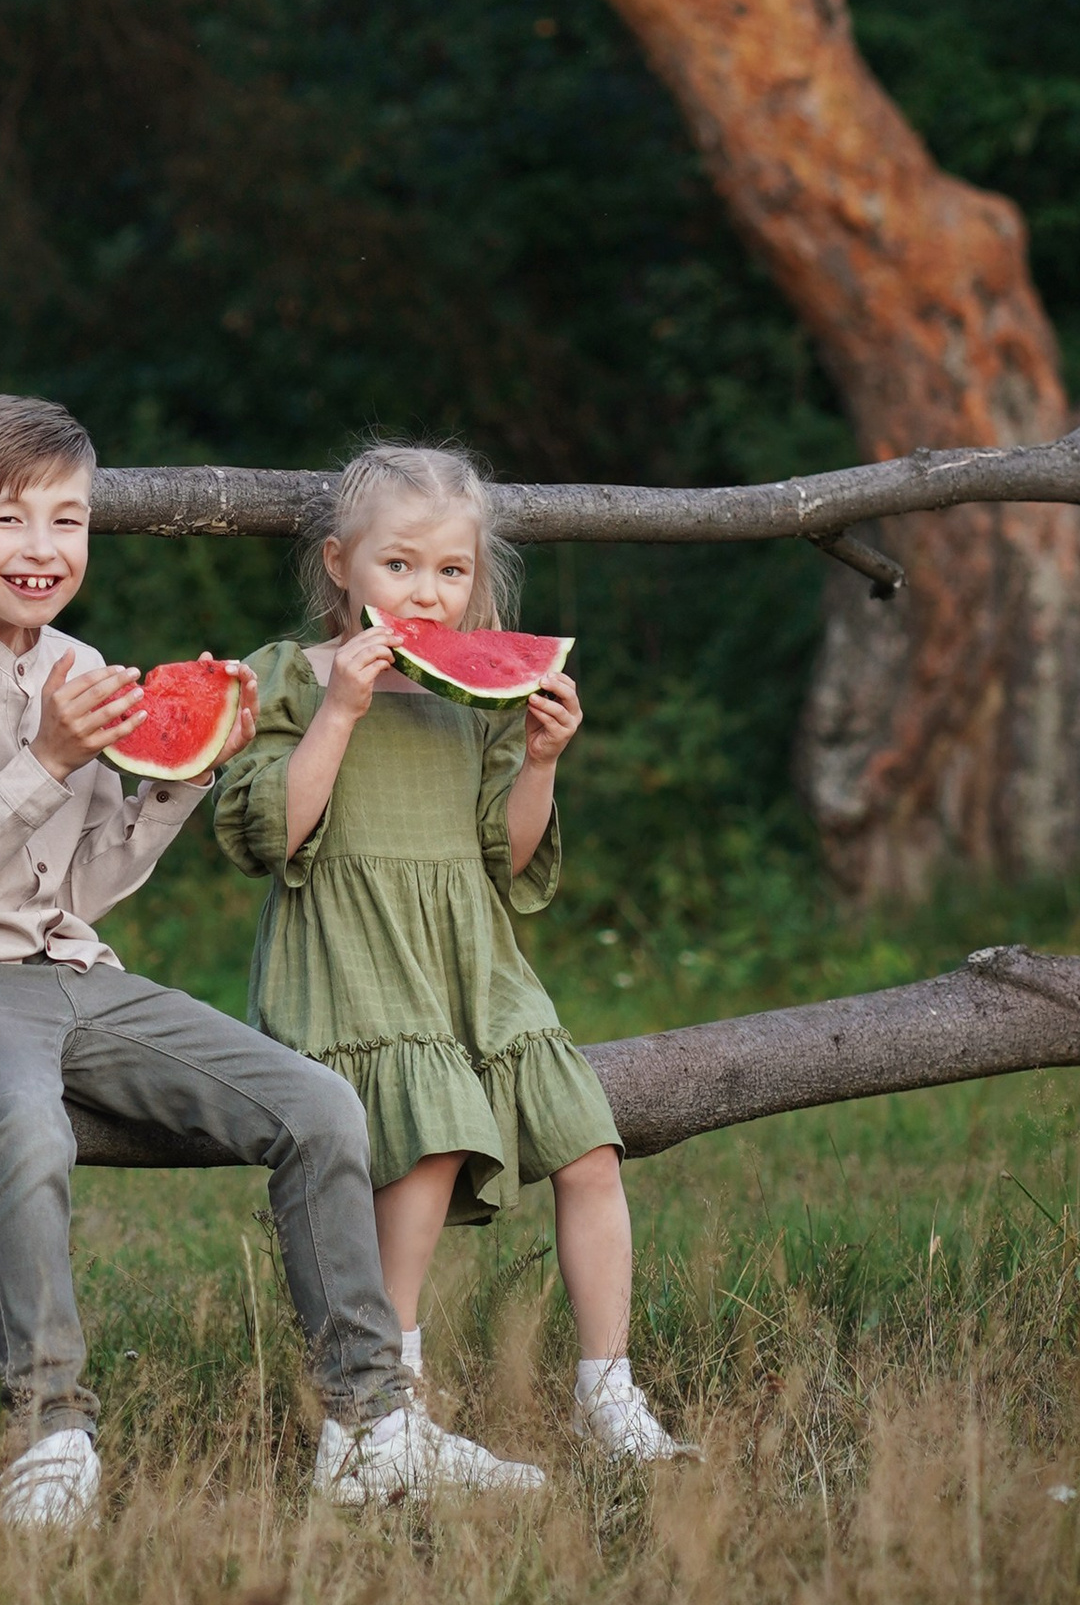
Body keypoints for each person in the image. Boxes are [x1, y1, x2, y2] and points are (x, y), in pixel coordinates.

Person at [0, 394, 505, 1527]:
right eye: (9, 520)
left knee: (318, 1106)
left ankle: (368, 1424)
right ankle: (50, 1434)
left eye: (67, 521)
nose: (41, 548)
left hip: (70, 967)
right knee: (26, 1123)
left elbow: (80, 889)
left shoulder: (80, 663)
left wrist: (185, 777)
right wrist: (48, 756)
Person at [214, 440, 694, 1466]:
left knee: (590, 1150)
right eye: (398, 565)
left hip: (475, 961)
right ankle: (391, 1408)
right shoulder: (289, 676)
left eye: (451, 570)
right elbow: (273, 835)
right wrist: (341, 710)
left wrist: (543, 760)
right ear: (339, 563)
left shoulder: (479, 700)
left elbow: (506, 858)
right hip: (352, 964)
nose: (425, 593)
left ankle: (608, 1393)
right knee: (428, 1145)